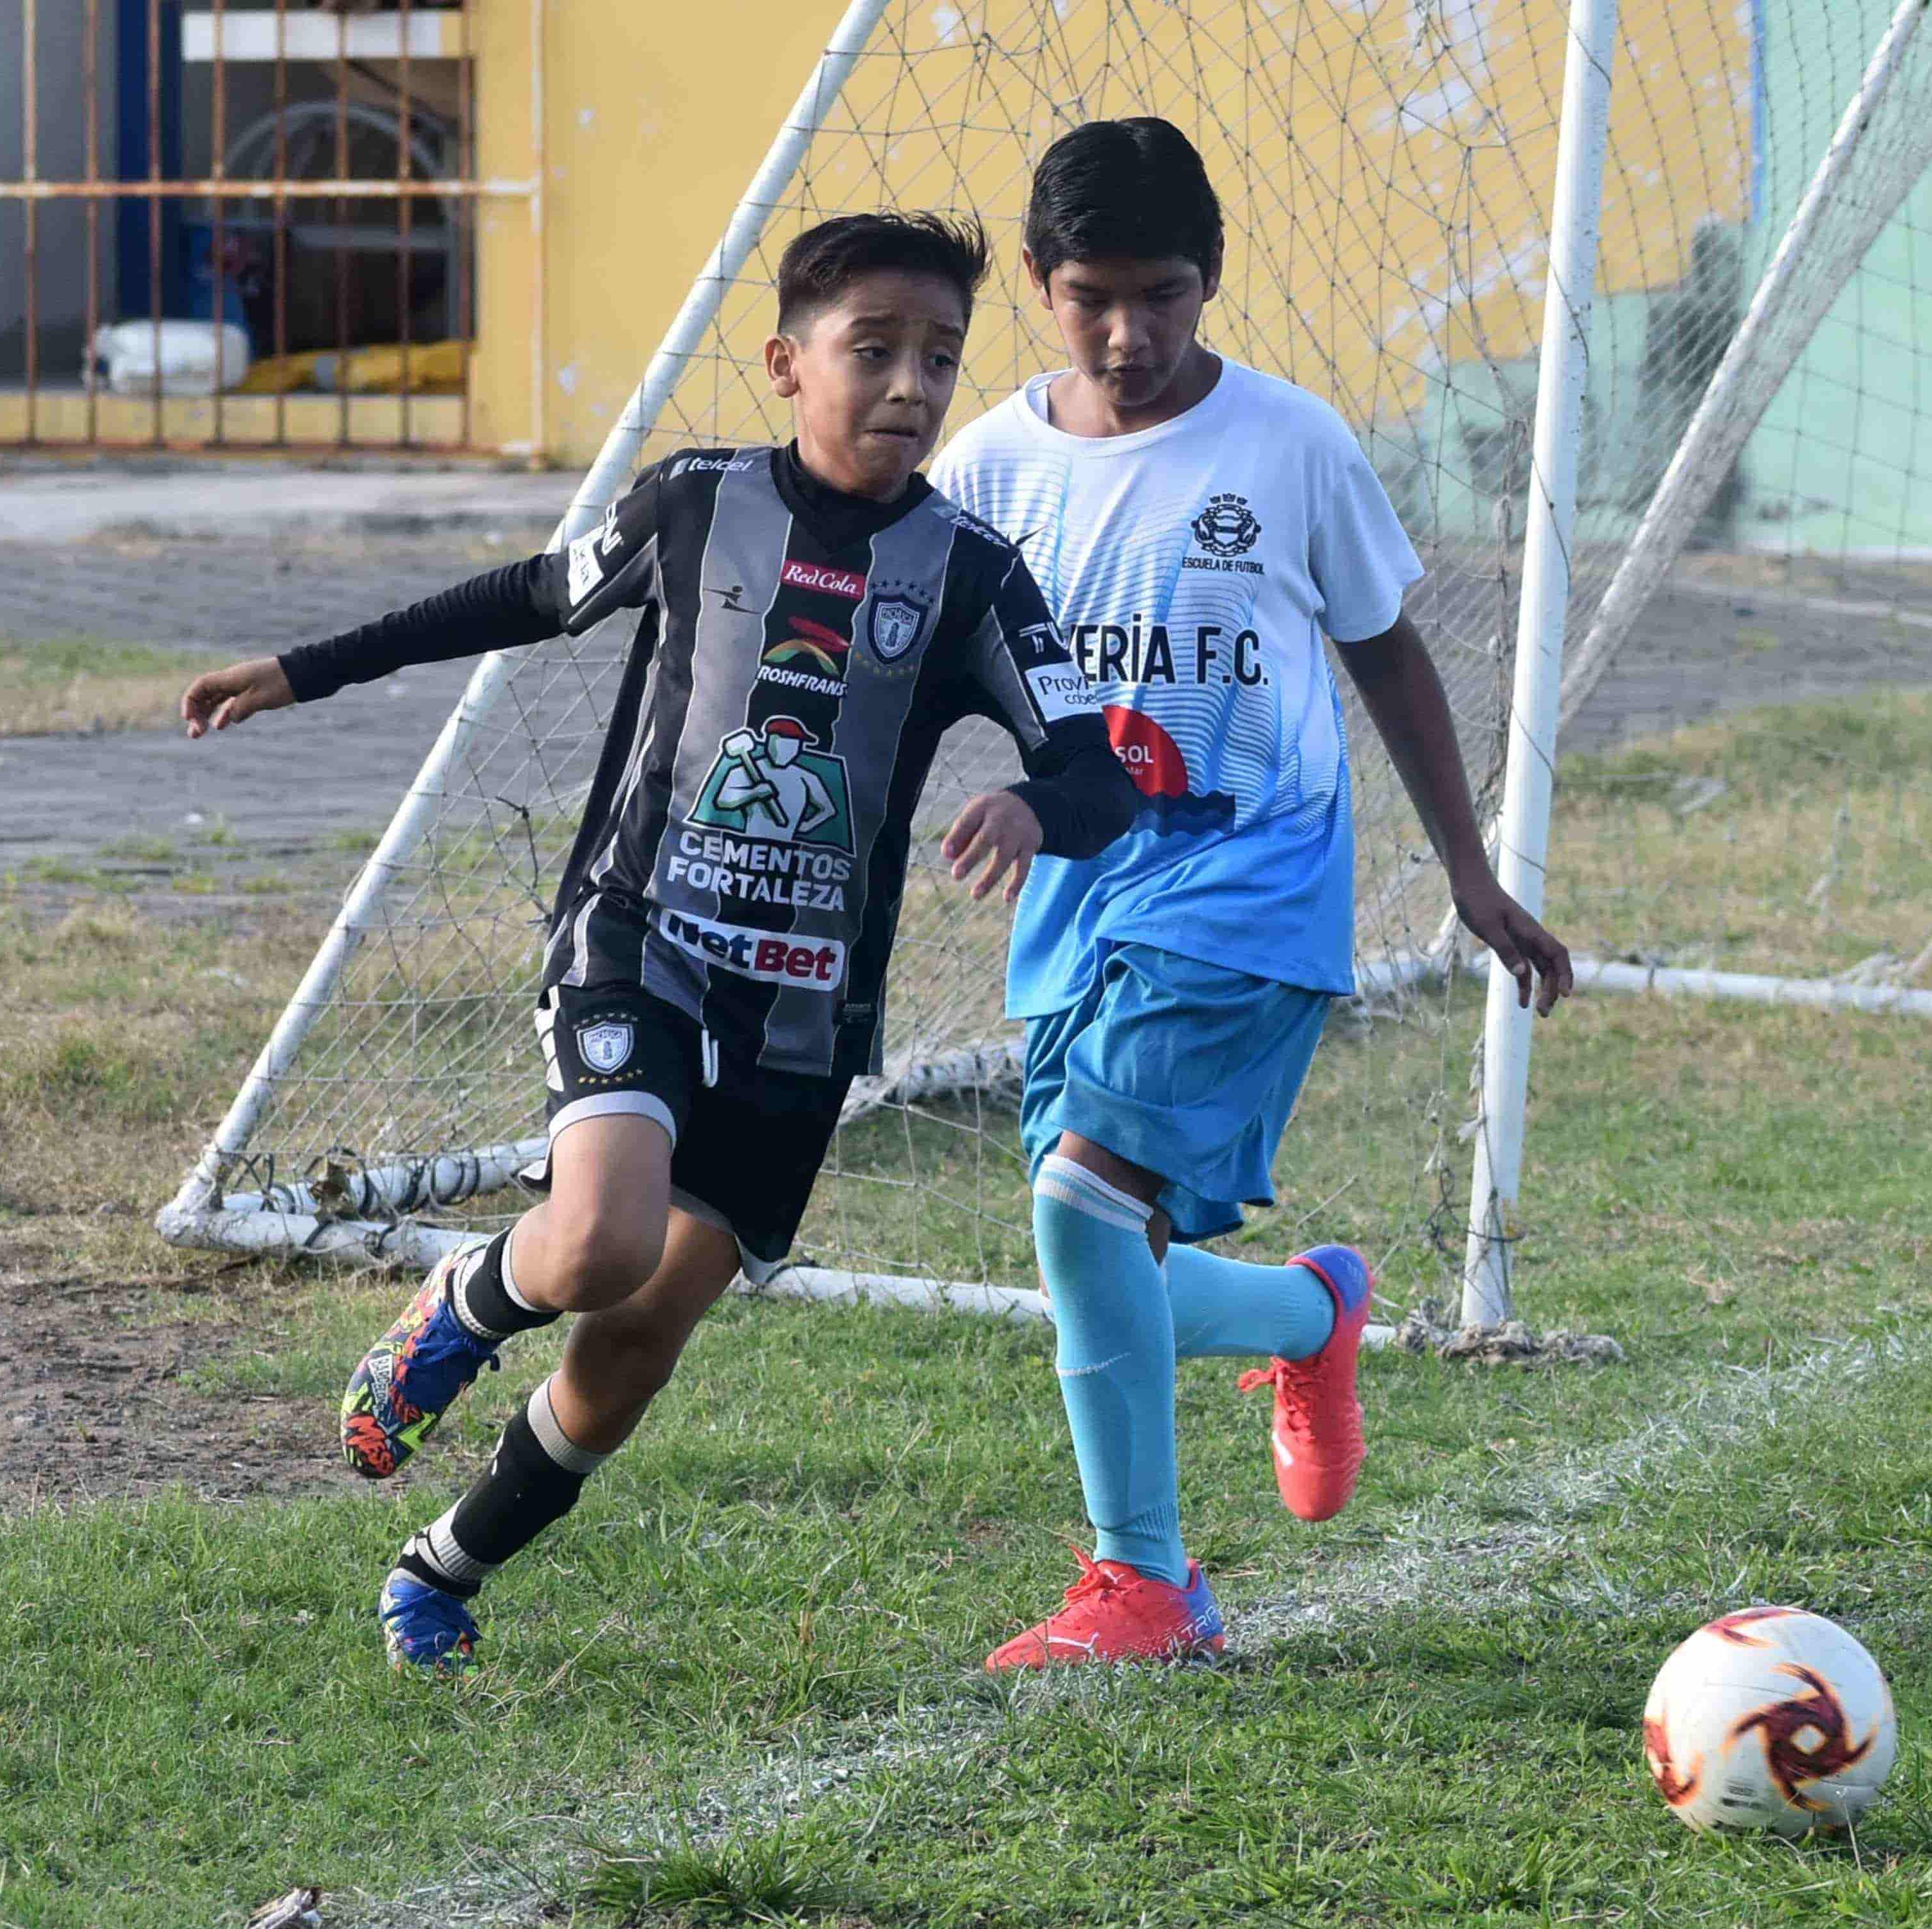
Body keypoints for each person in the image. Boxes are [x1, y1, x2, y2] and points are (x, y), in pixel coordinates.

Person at [176, 212, 1138, 1671]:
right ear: (783, 364)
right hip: (641, 939)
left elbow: (1099, 770)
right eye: (871, 349)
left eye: (938, 357)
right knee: (599, 1239)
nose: (907, 385)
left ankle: (441, 1568)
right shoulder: (695, 504)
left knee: (633, 1341)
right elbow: (525, 595)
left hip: (806, 1018)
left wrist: (1028, 801)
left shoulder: (972, 576)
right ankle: (459, 1305)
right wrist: (304, 669)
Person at [929, 118, 1576, 1671]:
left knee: (1080, 1202)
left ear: (1210, 279)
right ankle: (1309, 1319)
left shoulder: (1291, 448)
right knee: (1108, 1252)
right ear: (1037, 282)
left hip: (1254, 886)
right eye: (1092, 296)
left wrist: (1470, 873)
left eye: (1163, 293)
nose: (1130, 332)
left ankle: (1145, 1588)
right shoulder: (988, 469)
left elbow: (1384, 653)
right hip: (1082, 905)